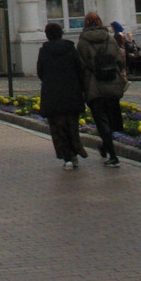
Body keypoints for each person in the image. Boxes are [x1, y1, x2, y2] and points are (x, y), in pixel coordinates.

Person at [77, 12, 127, 168]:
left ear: (86, 23)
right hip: (112, 83)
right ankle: (108, 148)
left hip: (94, 86)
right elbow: (119, 60)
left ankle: (111, 154)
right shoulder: (110, 39)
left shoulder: (82, 42)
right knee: (112, 120)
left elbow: (81, 65)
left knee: (102, 121)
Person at [37, 22, 88, 169]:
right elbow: (79, 69)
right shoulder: (70, 49)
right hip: (71, 93)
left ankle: (67, 158)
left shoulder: (44, 51)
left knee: (58, 128)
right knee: (72, 126)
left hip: (52, 94)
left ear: (47, 35)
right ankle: (75, 152)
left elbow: (41, 72)